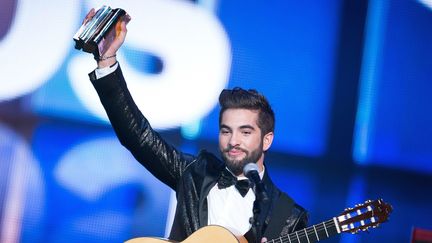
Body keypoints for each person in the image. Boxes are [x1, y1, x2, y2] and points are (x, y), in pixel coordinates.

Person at [83, 8, 308, 243]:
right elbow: (138, 136)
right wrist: (106, 60)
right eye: (226, 131)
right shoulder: (197, 173)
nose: (233, 141)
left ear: (267, 139)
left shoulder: (288, 217)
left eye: (245, 132)